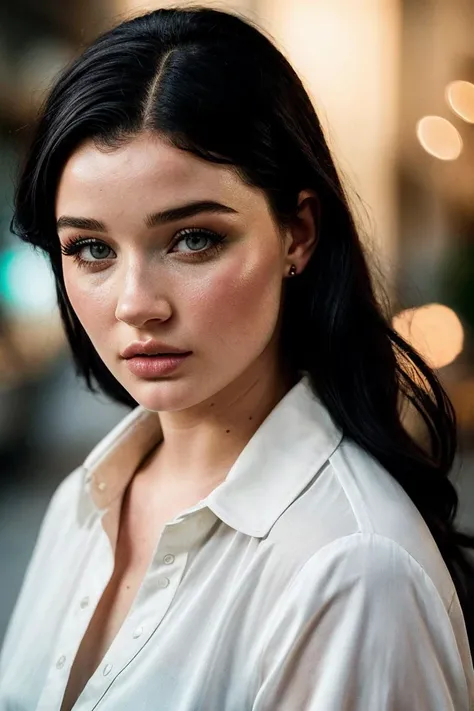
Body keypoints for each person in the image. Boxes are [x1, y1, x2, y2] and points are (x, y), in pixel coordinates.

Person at [0, 5, 473, 710]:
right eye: (91, 248)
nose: (137, 303)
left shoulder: (354, 574)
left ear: (298, 234)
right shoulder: (83, 501)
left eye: (192, 239)